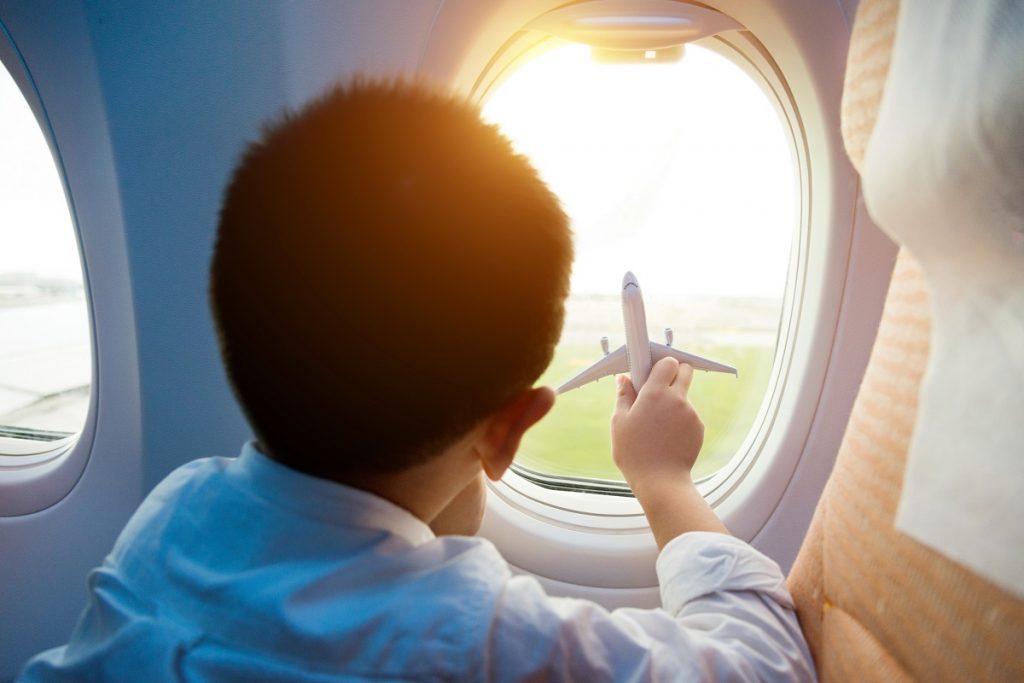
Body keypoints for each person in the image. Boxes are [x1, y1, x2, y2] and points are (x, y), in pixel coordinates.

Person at [19, 79, 815, 682]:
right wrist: (662, 475)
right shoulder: (471, 632)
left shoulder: (170, 517)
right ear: (510, 430)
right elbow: (766, 665)